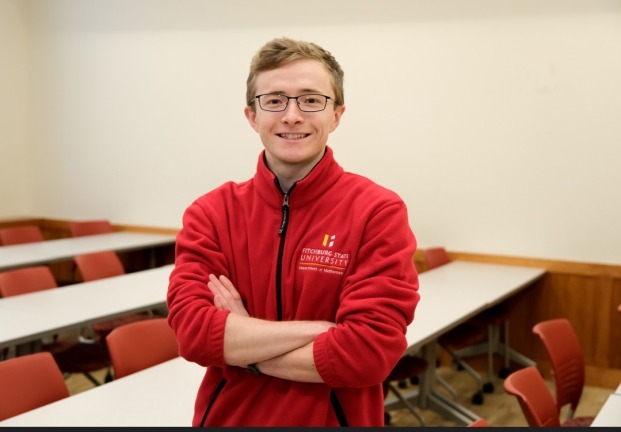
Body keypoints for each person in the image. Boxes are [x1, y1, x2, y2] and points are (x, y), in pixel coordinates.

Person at [167, 36, 420, 427]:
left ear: (337, 114)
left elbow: (367, 353)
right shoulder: (211, 214)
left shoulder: (377, 212)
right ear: (252, 116)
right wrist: (321, 331)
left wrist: (240, 343)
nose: (292, 115)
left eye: (311, 99)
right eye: (274, 100)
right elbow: (194, 334)